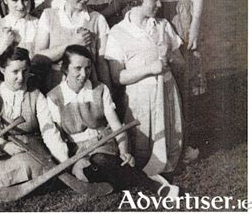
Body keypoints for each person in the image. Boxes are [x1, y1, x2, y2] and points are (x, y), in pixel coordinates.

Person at [45, 45, 177, 196]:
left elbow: (116, 126)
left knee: (100, 160)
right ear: (65, 69)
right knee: (89, 171)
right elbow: (58, 139)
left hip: (103, 144)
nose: (84, 74)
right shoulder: (54, 97)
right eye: (77, 68)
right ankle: (124, 176)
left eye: (88, 68)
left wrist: (124, 152)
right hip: (77, 151)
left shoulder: (100, 89)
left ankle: (153, 185)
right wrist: (72, 163)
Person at [136, 0, 205, 162]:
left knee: (183, 77)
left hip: (180, 15)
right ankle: (160, 142)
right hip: (153, 17)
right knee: (158, 79)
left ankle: (186, 142)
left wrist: (196, 25)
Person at [105, 0, 184, 179]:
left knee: (171, 147)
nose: (159, 4)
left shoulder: (162, 25)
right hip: (139, 98)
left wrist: (170, 57)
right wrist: (151, 68)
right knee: (142, 154)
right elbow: (118, 77)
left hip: (166, 92)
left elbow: (181, 64)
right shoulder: (118, 32)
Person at [0, 46, 66, 188]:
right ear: (2, 70)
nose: (21, 77)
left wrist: (63, 160)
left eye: (25, 71)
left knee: (41, 163)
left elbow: (49, 131)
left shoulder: (36, 95)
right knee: (23, 165)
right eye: (15, 72)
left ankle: (32, 181)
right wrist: (4, 145)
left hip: (33, 148)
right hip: (4, 152)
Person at [34, 0, 111, 93]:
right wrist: (71, 44)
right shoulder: (49, 16)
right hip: (54, 85)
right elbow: (38, 58)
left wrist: (108, 93)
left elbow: (102, 64)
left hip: (87, 86)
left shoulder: (97, 19)